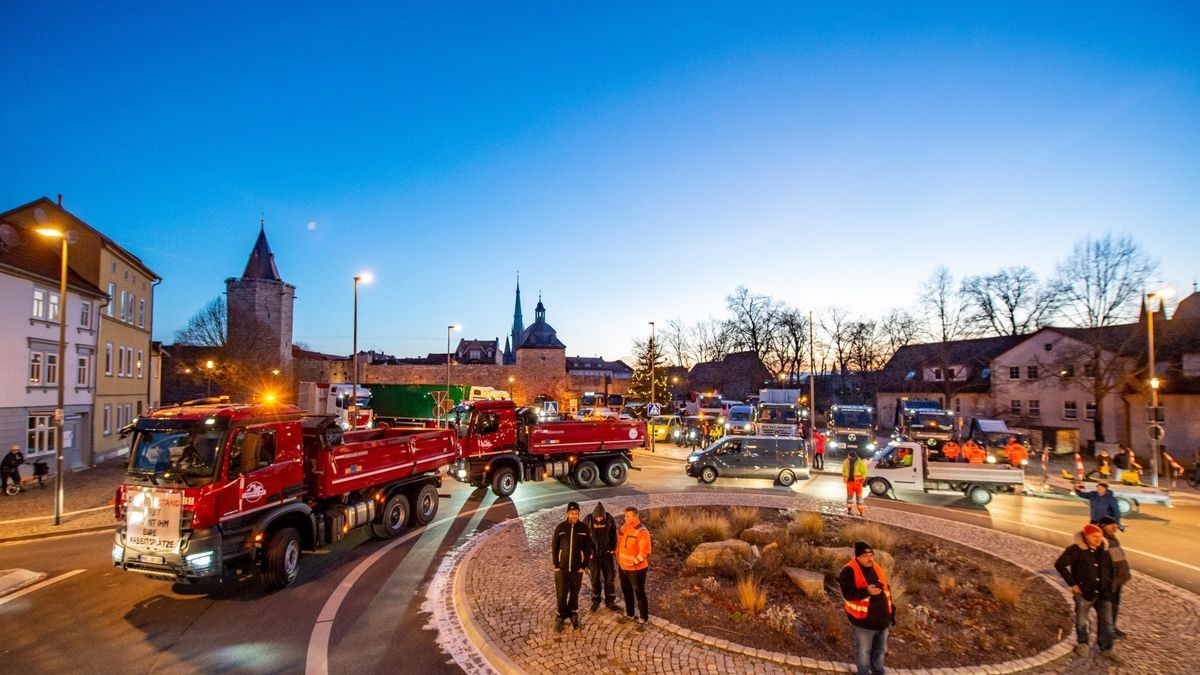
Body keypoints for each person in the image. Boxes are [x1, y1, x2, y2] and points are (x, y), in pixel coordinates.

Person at [1054, 523, 1119, 662]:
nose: (1098, 539)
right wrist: (1073, 584)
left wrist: (1110, 585)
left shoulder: (1104, 550)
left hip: (1103, 593)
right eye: (1095, 536)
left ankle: (1107, 648)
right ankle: (1083, 644)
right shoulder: (1075, 550)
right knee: (1082, 621)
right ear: (1086, 536)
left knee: (1107, 622)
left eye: (1100, 536)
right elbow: (1060, 564)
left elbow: (1113, 569)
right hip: (1084, 593)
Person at [839, 541, 894, 675]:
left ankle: (878, 670)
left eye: (871, 555)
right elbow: (848, 595)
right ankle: (863, 672)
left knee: (880, 650)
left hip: (882, 620)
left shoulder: (876, 567)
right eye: (865, 555)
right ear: (857, 557)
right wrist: (867, 591)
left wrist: (890, 615)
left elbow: (887, 590)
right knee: (863, 651)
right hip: (864, 622)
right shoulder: (848, 571)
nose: (870, 558)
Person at [551, 501, 592, 632]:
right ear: (567, 513)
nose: (574, 516)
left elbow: (588, 549)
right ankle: (560, 616)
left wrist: (584, 566)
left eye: (576, 513)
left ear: (579, 514)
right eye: (572, 513)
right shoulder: (561, 528)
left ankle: (573, 613)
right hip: (562, 568)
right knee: (561, 593)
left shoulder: (584, 529)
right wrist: (556, 565)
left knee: (574, 593)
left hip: (576, 569)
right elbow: (555, 546)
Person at [616, 506, 652, 630]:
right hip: (623, 568)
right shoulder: (624, 528)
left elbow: (645, 551)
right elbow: (619, 545)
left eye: (628, 516)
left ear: (636, 516)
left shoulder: (642, 531)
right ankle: (630, 614)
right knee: (626, 592)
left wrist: (633, 562)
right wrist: (619, 561)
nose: (625, 518)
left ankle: (643, 619)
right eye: (625, 516)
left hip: (636, 569)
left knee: (639, 593)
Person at [1097, 516, 1131, 639]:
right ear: (1104, 526)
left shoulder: (1113, 539)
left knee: (1115, 605)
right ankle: (1107, 632)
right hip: (1110, 581)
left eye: (1115, 524)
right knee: (1108, 607)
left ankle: (1112, 628)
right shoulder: (1102, 540)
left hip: (1118, 579)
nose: (1115, 527)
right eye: (1112, 525)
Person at [585, 502, 618, 612]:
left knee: (609, 578)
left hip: (606, 555)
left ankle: (610, 600)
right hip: (593, 556)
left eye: (600, 518)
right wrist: (588, 552)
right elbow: (583, 537)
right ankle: (596, 599)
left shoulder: (609, 519)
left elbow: (614, 534)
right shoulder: (588, 520)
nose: (599, 520)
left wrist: (612, 548)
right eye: (597, 518)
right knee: (595, 578)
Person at [843, 451, 868, 516]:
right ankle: (849, 510)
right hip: (849, 483)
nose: (847, 456)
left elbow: (864, 474)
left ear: (851, 456)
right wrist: (845, 478)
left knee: (859, 498)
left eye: (848, 455)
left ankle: (861, 512)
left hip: (858, 483)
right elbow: (844, 471)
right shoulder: (846, 462)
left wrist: (861, 481)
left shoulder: (860, 463)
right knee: (849, 498)